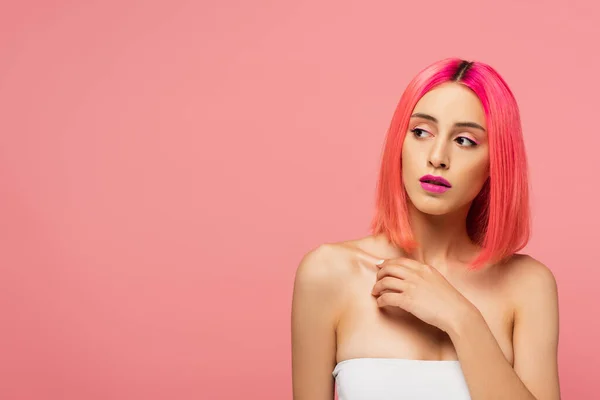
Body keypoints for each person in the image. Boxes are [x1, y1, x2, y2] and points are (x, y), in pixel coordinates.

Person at [290, 58, 560, 400]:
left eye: (464, 140)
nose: (437, 156)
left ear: (496, 163)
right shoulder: (328, 272)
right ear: (398, 144)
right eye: (420, 132)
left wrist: (461, 319)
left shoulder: (528, 285)